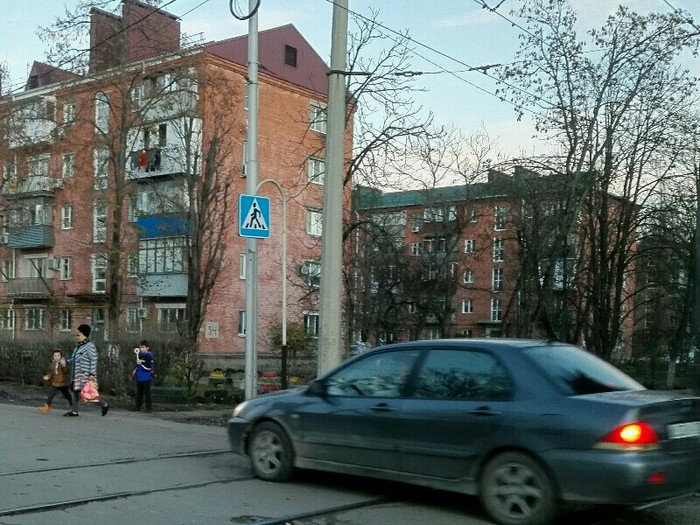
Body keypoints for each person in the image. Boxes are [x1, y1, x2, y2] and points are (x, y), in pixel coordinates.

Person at [66, 324, 109, 417]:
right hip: (77, 374)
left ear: (85, 335)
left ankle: (104, 405)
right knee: (75, 391)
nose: (77, 337)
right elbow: (74, 359)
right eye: (76, 335)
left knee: (90, 394)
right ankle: (74, 411)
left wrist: (92, 374)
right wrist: (66, 362)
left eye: (79, 335)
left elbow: (94, 359)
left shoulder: (90, 346)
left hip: (85, 375)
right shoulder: (78, 347)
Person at [38, 348, 74, 414]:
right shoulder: (53, 364)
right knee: (51, 395)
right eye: (55, 356)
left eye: (58, 356)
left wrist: (64, 366)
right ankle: (47, 408)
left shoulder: (62, 364)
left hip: (62, 383)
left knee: (67, 395)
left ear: (61, 357)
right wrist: (48, 376)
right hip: (55, 383)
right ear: (53, 357)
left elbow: (66, 372)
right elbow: (53, 372)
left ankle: (73, 406)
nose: (57, 357)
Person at [131, 340, 154, 412]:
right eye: (141, 347)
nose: (141, 349)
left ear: (147, 348)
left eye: (143, 347)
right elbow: (138, 365)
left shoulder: (149, 356)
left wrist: (141, 363)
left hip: (146, 377)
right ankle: (138, 407)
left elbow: (148, 367)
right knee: (139, 392)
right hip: (140, 377)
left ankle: (148, 408)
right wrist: (136, 369)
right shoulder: (140, 355)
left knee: (147, 393)